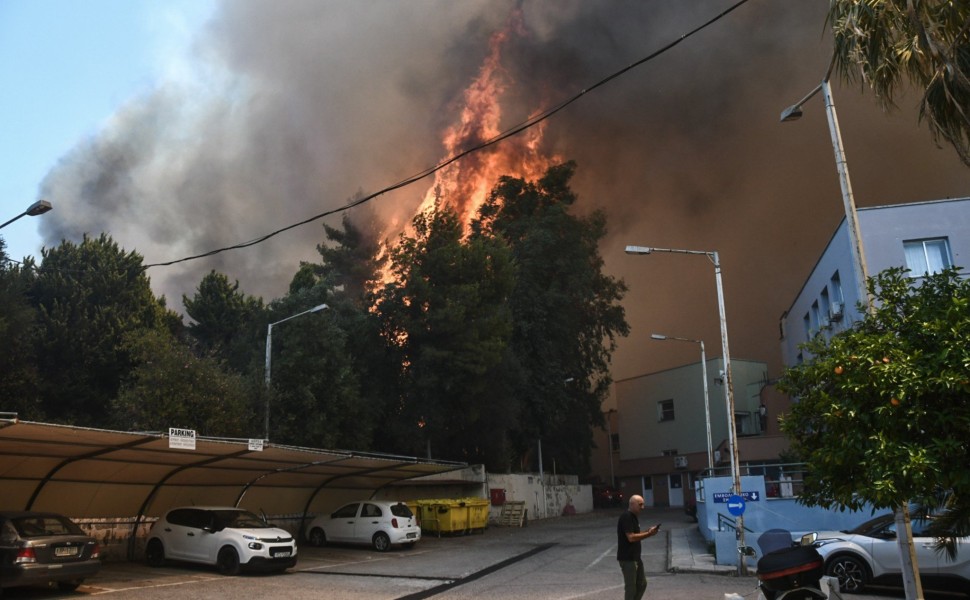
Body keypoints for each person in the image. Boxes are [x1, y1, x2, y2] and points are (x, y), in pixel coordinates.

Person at [616, 494, 659, 600]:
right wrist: (649, 534)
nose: (642, 507)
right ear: (632, 504)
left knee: (642, 584)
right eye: (640, 505)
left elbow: (636, 534)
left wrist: (648, 531)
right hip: (628, 559)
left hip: (636, 557)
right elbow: (631, 537)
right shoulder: (626, 516)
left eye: (643, 504)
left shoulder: (633, 517)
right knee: (631, 588)